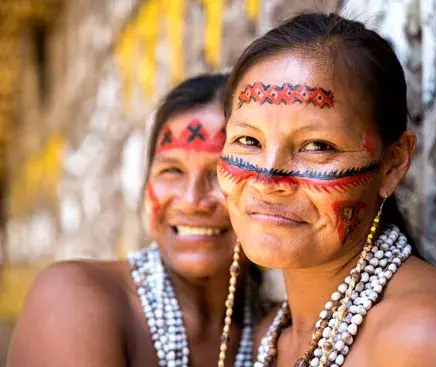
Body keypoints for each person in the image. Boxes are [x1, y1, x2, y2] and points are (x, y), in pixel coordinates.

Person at [217, 13, 436, 366]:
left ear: (392, 164)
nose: (267, 180)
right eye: (248, 140)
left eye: (317, 146)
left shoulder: (429, 339)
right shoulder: (268, 339)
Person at [8, 74, 261, 367]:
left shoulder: (282, 333)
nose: (192, 200)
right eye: (172, 171)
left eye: (220, 173)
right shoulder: (72, 298)